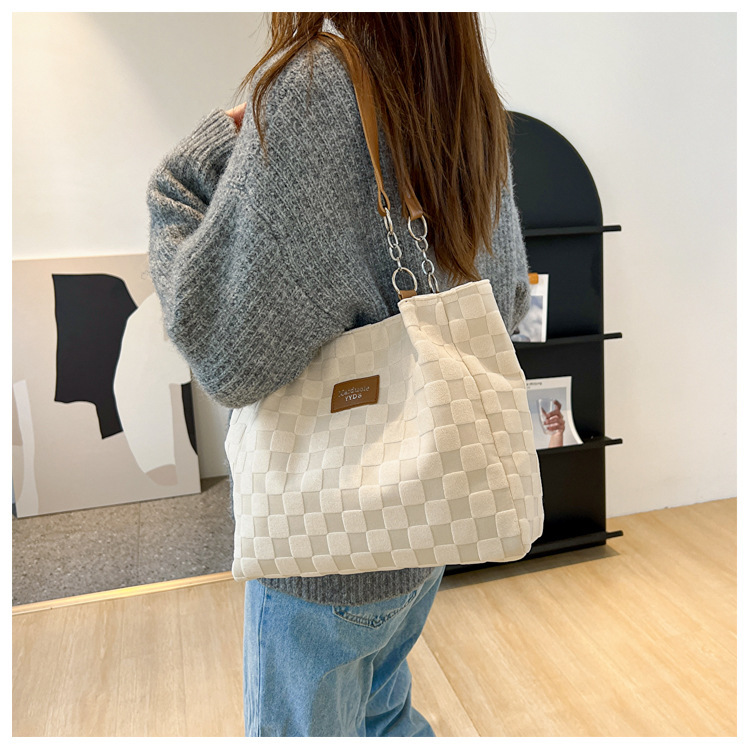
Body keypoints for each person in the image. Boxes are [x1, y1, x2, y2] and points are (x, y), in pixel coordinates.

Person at [147, 12, 531, 737]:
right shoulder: (467, 96)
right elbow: (506, 300)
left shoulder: (315, 87)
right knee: (383, 715)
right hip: (428, 520)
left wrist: (191, 168)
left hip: (325, 551)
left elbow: (227, 352)